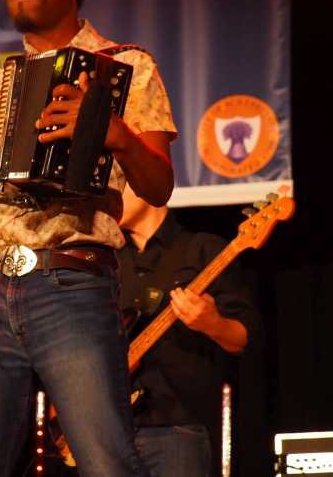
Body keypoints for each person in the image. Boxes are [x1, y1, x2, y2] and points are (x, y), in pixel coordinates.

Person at [0, 0, 178, 477]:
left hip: (70, 283)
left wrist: (114, 134)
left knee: (106, 462)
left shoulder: (126, 67)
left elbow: (159, 186)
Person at [117, 186, 260, 477]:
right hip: (110, 431)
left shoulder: (202, 249)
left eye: (119, 185)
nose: (110, 195)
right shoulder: (108, 260)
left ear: (146, 186)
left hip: (178, 430)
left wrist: (212, 323)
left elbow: (244, 338)